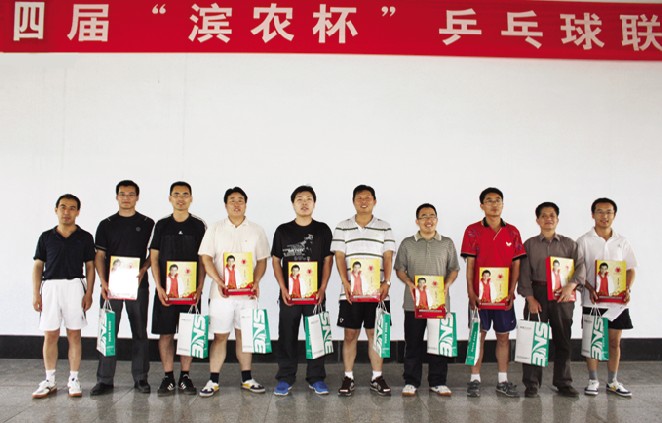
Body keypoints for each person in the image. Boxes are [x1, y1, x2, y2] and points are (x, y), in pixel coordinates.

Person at [198, 187, 270, 397]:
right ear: (225, 204)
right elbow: (206, 258)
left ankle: (247, 378)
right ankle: (213, 380)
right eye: (232, 200)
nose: (236, 204)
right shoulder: (215, 228)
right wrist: (219, 280)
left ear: (246, 204)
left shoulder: (256, 230)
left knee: (244, 335)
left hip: (248, 295)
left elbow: (262, 260)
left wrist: (256, 281)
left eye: (240, 200)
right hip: (221, 294)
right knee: (220, 336)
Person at [461, 187, 526, 398]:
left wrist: (511, 290)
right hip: (479, 297)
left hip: (503, 296)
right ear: (482, 205)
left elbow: (516, 264)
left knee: (503, 337)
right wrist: (471, 292)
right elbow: (470, 264)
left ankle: (502, 380)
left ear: (503, 204)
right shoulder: (472, 230)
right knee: (477, 337)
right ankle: (474, 379)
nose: (494, 204)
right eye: (489, 200)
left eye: (498, 200)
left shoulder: (512, 232)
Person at [91, 180, 154, 396]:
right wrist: (103, 281)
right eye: (122, 194)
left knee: (140, 331)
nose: (126, 198)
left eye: (131, 194)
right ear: (116, 196)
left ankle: (141, 378)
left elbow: (153, 254)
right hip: (111, 286)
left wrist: (144, 269)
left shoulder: (148, 223)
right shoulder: (106, 224)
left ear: (137, 197)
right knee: (108, 331)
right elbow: (99, 256)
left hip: (137, 284)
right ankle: (104, 380)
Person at [331, 184, 395, 397]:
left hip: (378, 292)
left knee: (375, 334)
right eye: (359, 197)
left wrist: (387, 282)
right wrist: (345, 281)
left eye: (368, 197)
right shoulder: (342, 227)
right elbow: (339, 256)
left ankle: (377, 377)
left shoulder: (384, 227)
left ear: (374, 201)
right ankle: (348, 377)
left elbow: (388, 256)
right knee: (350, 335)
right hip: (350, 293)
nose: (364, 201)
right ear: (353, 201)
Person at [518, 202, 584, 398]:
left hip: (563, 295)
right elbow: (524, 273)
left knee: (563, 339)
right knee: (534, 339)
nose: (548, 218)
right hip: (537, 293)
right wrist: (530, 298)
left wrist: (571, 285)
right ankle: (531, 384)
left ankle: (563, 382)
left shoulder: (569, 244)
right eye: (544, 215)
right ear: (537, 220)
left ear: (557, 219)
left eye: (552, 215)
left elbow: (581, 267)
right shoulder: (529, 244)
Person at [32, 194, 95, 399]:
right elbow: (38, 265)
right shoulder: (46, 237)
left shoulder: (85, 237)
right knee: (50, 334)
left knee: (74, 334)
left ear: (78, 211)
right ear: (56, 210)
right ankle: (49, 380)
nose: (67, 212)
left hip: (75, 286)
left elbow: (90, 266)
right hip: (50, 287)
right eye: (63, 207)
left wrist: (89, 292)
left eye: (72, 208)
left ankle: (74, 379)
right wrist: (36, 293)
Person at [272, 185, 333, 396]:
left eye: (308, 199)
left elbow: (328, 260)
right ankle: (285, 377)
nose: (304, 202)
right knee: (287, 335)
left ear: (314, 203)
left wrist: (323, 288)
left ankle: (316, 377)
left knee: (316, 334)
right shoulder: (283, 230)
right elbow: (276, 260)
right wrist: (282, 288)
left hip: (315, 295)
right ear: (293, 204)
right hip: (289, 295)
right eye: (300, 199)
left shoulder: (323, 230)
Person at [394, 203, 460, 397]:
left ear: (436, 220)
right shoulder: (407, 243)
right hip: (413, 303)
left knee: (439, 343)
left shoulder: (446, 243)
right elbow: (400, 269)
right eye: (424, 216)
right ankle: (411, 381)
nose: (428, 220)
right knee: (413, 343)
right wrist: (409, 283)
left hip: (439, 303)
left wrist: (447, 284)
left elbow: (454, 269)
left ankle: (438, 382)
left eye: (432, 216)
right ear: (417, 221)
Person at [150, 182, 207, 396]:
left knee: (188, 333)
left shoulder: (198, 225)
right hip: (166, 292)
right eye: (176, 194)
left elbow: (203, 259)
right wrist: (158, 286)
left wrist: (200, 287)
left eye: (185, 194)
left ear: (191, 198)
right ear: (170, 198)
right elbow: (154, 257)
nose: (181, 198)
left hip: (191, 293)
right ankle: (168, 377)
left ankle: (185, 376)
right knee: (165, 333)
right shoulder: (162, 225)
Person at [577, 197, 637, 397]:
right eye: (600, 212)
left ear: (614, 215)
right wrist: (589, 287)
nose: (605, 216)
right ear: (592, 214)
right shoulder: (583, 241)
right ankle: (593, 380)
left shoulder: (622, 241)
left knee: (614, 342)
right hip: (592, 300)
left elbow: (630, 268)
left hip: (617, 304)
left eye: (609, 212)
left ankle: (612, 381)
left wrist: (626, 289)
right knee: (592, 342)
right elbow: (578, 270)